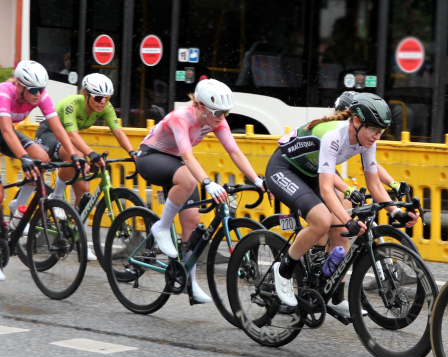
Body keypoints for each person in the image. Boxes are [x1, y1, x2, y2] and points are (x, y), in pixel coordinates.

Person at [265, 93, 418, 317]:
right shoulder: (333, 136)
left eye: (381, 131)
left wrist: (396, 212)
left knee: (341, 231)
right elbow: (327, 189)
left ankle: (336, 297)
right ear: (356, 121)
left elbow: (374, 183)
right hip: (284, 169)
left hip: (310, 172)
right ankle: (284, 270)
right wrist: (348, 220)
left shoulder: (367, 139)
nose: (377, 136)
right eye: (374, 129)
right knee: (323, 221)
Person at [135, 78, 265, 304]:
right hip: (151, 157)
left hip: (176, 164)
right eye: (217, 113)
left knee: (192, 220)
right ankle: (162, 227)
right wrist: (207, 182)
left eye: (226, 113)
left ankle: (190, 282)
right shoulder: (181, 117)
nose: (222, 118)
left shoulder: (216, 120)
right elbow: (187, 157)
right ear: (201, 107)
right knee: (189, 179)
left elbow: (234, 152)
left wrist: (256, 179)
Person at [35, 73, 137, 260]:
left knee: (84, 190)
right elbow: (72, 135)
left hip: (67, 142)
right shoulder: (73, 103)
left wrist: (133, 153)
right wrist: (91, 153)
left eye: (106, 98)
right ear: (87, 95)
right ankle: (56, 195)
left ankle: (76, 236)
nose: (102, 102)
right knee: (77, 156)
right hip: (48, 134)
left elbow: (118, 132)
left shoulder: (106, 107)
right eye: (98, 97)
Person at [0, 60, 84, 283]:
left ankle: (19, 206)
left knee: (42, 158)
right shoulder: (5, 93)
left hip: (4, 134)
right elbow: (7, 131)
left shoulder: (40, 96)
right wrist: (23, 157)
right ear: (20, 86)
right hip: (3, 131)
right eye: (34, 90)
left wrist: (73, 153)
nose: (39, 94)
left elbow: (58, 127)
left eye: (42, 89)